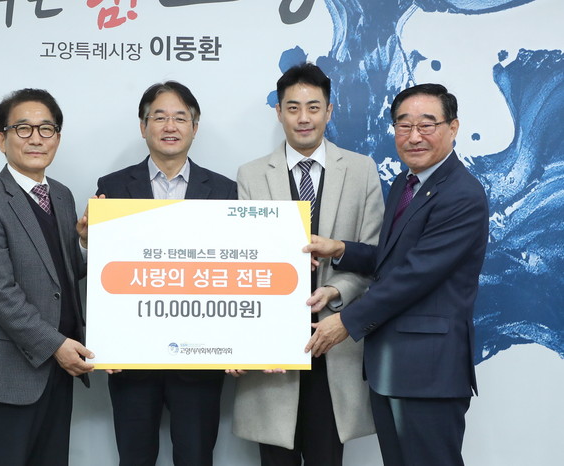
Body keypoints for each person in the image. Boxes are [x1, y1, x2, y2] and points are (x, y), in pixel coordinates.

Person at [303, 83, 489, 466]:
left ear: (453, 127)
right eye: (404, 125)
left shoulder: (461, 194)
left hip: (429, 372)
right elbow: (393, 261)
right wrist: (339, 249)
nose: (414, 136)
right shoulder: (405, 184)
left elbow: (415, 276)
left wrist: (346, 322)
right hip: (391, 368)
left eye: (427, 125)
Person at [231, 63, 383, 465]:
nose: (303, 118)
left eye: (313, 107)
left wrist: (337, 290)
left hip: (334, 340)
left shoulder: (362, 170)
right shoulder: (251, 175)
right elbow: (241, 263)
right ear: (278, 112)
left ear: (329, 111)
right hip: (271, 347)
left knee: (326, 457)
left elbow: (375, 256)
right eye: (293, 107)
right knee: (275, 457)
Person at [94, 81, 237, 466]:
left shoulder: (224, 191)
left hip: (201, 358)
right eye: (159, 117)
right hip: (131, 358)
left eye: (180, 118)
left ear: (195, 126)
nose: (169, 126)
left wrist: (238, 343)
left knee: (195, 458)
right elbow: (105, 271)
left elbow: (232, 272)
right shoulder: (112, 188)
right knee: (134, 458)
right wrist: (89, 240)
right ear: (143, 126)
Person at [0, 88, 94, 466]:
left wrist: (84, 244)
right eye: (23, 128)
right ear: (1, 139)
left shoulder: (61, 196)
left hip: (58, 366)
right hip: (10, 368)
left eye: (46, 129)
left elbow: (63, 273)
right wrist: (56, 345)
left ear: (57, 138)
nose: (36, 138)